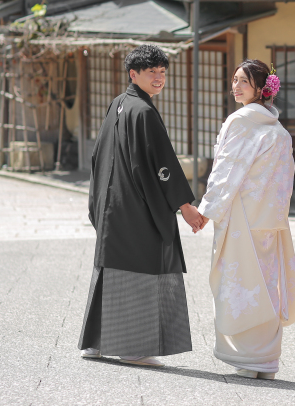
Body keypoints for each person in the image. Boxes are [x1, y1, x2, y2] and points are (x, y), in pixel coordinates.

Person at [78, 44, 205, 367]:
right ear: (133, 74)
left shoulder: (118, 105)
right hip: (135, 206)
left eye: (163, 72)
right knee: (140, 267)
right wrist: (185, 206)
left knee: (110, 270)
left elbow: (97, 158)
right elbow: (161, 165)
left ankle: (95, 343)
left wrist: (98, 203)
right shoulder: (144, 111)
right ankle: (133, 347)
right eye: (153, 73)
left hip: (112, 204)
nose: (159, 78)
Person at [197, 59, 295, 380]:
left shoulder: (241, 121)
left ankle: (249, 358)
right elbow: (286, 182)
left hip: (243, 217)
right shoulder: (278, 130)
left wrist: (208, 209)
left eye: (243, 81)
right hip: (268, 219)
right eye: (234, 80)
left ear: (261, 88)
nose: (236, 86)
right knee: (266, 283)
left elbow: (227, 169)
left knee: (242, 283)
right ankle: (266, 359)